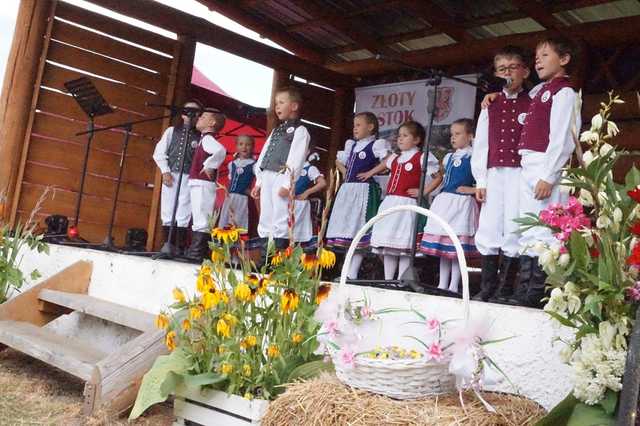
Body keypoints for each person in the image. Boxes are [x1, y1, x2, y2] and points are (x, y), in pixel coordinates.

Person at [513, 37, 580, 308]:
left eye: (544, 55)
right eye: (535, 56)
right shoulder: (541, 90)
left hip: (545, 164)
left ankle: (540, 290)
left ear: (563, 59)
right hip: (529, 162)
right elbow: (516, 91)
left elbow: (562, 138)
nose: (537, 60)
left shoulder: (564, 93)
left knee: (545, 229)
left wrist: (549, 175)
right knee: (529, 227)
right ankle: (525, 285)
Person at [471, 46, 531, 302]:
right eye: (502, 69)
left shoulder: (534, 102)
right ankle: (487, 286)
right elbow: (482, 143)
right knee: (490, 225)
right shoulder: (490, 105)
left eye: (512, 67)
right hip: (495, 173)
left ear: (525, 71)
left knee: (514, 225)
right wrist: (480, 179)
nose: (507, 73)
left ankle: (506, 288)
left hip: (520, 174)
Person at [370, 121, 439, 281]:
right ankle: (388, 280)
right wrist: (369, 173)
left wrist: (423, 191)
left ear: (416, 140)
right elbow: (383, 164)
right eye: (399, 136)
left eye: (405, 136)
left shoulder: (420, 157)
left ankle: (401, 279)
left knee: (404, 245)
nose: (400, 139)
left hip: (407, 205)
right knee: (389, 245)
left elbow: (438, 177)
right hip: (390, 204)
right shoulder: (395, 157)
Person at [326, 112, 390, 279]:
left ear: (370, 127)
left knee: (358, 231)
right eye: (354, 125)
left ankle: (352, 273)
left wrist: (370, 172)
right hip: (348, 191)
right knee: (347, 230)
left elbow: (388, 161)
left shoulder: (376, 145)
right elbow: (338, 161)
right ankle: (346, 271)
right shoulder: (352, 146)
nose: (355, 128)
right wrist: (346, 172)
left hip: (363, 192)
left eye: (359, 125)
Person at [419, 118, 479, 293]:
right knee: (443, 248)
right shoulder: (449, 157)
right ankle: (442, 284)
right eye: (452, 134)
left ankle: (454, 285)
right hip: (445, 202)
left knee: (455, 248)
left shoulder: (474, 156)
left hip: (461, 203)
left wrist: (471, 190)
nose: (453, 138)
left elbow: (485, 182)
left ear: (470, 137)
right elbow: (443, 178)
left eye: (458, 134)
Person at [251, 86, 310, 249]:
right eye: (276, 103)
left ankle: (277, 255)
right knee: (266, 214)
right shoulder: (277, 130)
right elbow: (264, 154)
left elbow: (296, 159)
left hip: (282, 176)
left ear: (294, 106)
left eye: (281, 102)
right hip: (268, 174)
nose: (277, 106)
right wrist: (259, 181)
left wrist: (288, 183)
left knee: (280, 215)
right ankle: (265, 256)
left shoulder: (300, 131)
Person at [152, 100, 202, 254]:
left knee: (184, 208)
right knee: (168, 208)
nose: (190, 116)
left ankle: (179, 246)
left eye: (195, 113)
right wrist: (165, 171)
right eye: (187, 111)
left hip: (189, 177)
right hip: (171, 174)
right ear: (182, 114)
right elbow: (159, 152)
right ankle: (167, 243)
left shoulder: (200, 136)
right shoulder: (171, 131)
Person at [185, 108, 227, 260]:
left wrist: (210, 164)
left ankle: (197, 252)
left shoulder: (208, 139)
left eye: (203, 117)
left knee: (202, 216)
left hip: (202, 183)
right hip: (198, 182)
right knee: (199, 215)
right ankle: (197, 250)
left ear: (212, 122)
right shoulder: (204, 138)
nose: (199, 118)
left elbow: (221, 151)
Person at [218, 135, 256, 230]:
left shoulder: (254, 165)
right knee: (226, 219)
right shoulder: (232, 164)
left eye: (248, 145)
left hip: (243, 198)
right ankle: (224, 242)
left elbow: (260, 180)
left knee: (239, 220)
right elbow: (230, 180)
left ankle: (238, 243)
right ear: (236, 147)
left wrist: (250, 190)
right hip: (230, 197)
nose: (244, 147)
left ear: (252, 147)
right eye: (241, 144)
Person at [292, 152, 327, 243]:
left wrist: (307, 192)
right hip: (287, 203)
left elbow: (322, 183)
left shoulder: (310, 168)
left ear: (307, 151)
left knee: (299, 234)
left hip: (300, 205)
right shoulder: (291, 166)